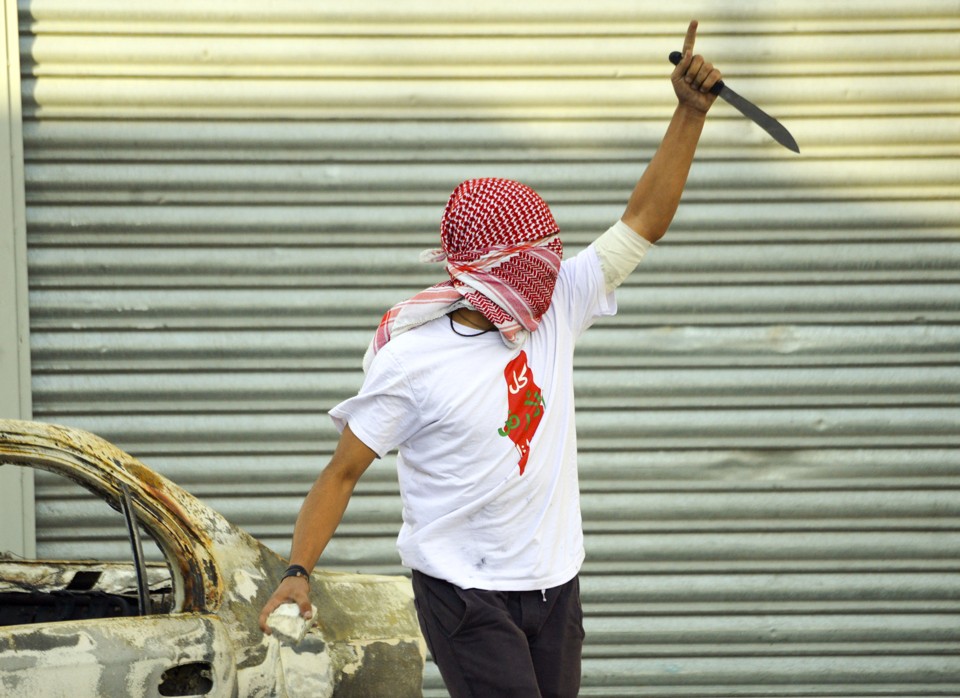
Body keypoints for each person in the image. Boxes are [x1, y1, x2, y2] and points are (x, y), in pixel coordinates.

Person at [259, 20, 722, 697]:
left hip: (555, 586)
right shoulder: (414, 361)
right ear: (478, 275)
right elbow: (342, 473)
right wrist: (298, 572)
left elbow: (642, 222)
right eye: (529, 269)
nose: (547, 279)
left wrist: (689, 114)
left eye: (549, 261)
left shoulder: (557, 300)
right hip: (464, 595)